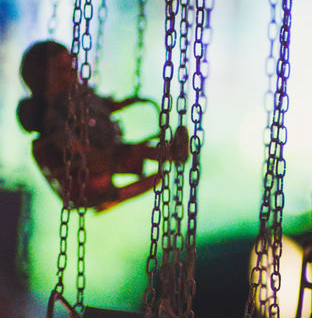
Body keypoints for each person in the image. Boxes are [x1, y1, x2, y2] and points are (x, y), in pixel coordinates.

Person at [17, 40, 188, 210]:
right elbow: (61, 135)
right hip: (92, 157)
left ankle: (171, 152)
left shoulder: (81, 95)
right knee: (132, 153)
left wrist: (120, 104)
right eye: (63, 70)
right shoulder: (54, 111)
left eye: (72, 65)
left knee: (134, 151)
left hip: (103, 147)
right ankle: (168, 154)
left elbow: (101, 105)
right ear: (44, 83)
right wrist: (77, 147)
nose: (73, 72)